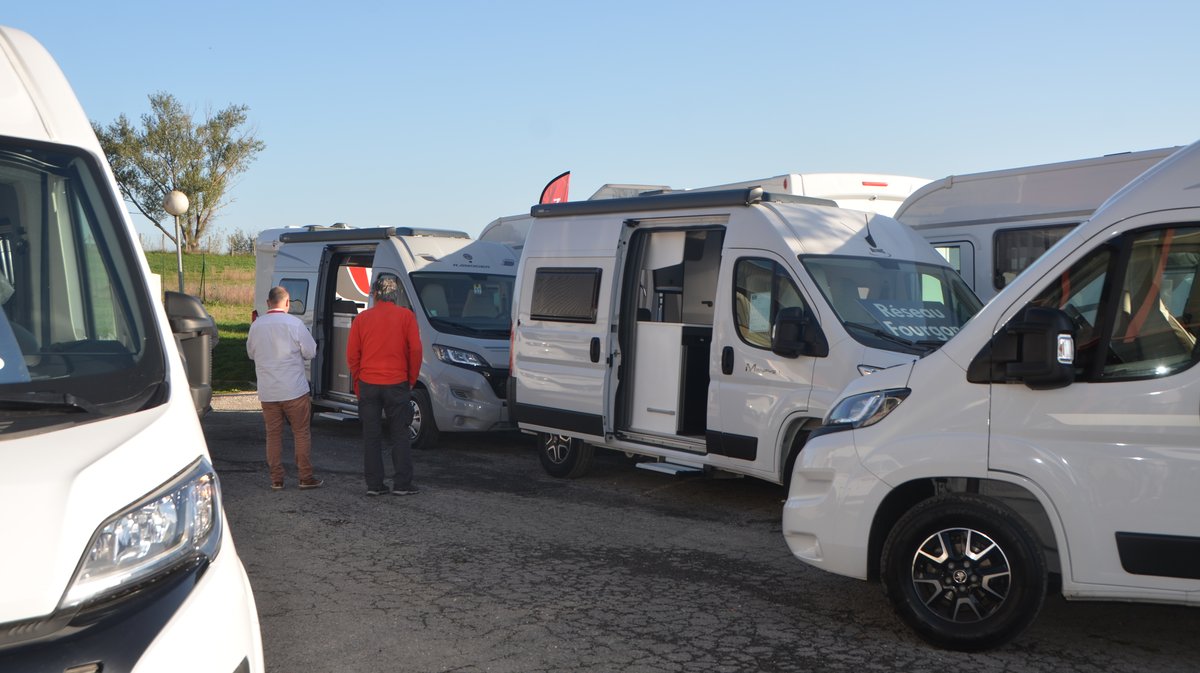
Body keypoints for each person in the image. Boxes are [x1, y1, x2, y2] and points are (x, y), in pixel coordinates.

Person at [346, 274, 423, 496]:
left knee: (371, 436)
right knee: (400, 434)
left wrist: (359, 380)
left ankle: (375, 485)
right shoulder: (406, 317)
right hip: (397, 383)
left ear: (375, 294)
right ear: (396, 294)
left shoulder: (362, 319)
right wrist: (410, 379)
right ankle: (402, 484)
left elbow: (352, 355)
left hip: (369, 383)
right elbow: (416, 351)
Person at [246, 286, 323, 491]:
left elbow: (251, 353)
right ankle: (305, 477)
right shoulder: (295, 324)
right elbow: (310, 351)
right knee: (301, 433)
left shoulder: (256, 326)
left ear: (268, 302)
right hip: (294, 390)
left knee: (273, 435)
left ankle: (276, 479)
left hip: (268, 391)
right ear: (287, 302)